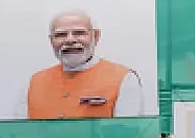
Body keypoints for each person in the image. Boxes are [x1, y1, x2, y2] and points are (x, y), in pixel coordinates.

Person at [17, 10, 145, 120]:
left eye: (79, 33)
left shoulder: (124, 79)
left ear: (96, 36)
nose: (70, 40)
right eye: (61, 35)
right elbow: (18, 133)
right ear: (51, 41)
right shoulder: (34, 82)